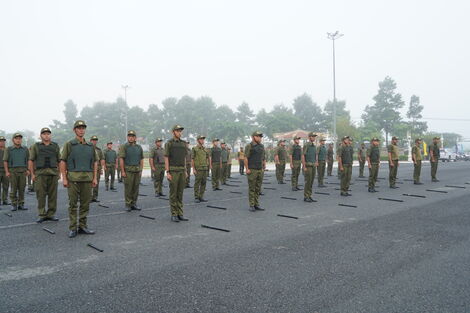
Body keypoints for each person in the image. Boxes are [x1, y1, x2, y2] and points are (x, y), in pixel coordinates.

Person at [60, 120, 98, 238]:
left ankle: (82, 226)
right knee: (73, 204)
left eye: (83, 128)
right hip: (73, 179)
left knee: (85, 204)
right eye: (79, 128)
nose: (81, 130)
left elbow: (95, 162)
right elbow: (63, 161)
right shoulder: (69, 144)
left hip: (87, 179)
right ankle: (72, 228)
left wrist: (95, 177)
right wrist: (64, 178)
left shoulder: (90, 146)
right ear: (74, 130)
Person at [29, 127, 61, 223]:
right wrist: (32, 174)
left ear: (50, 135)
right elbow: (31, 160)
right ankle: (42, 214)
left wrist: (59, 173)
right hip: (40, 174)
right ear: (41, 135)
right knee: (41, 195)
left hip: (53, 173)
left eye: (48, 133)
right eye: (44, 134)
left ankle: (51, 214)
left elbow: (59, 160)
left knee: (53, 195)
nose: (46, 135)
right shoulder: (36, 146)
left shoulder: (55, 146)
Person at [165, 125, 189, 222]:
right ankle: (174, 214)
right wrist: (168, 172)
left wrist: (185, 170)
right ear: (173, 132)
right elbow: (166, 157)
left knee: (180, 193)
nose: (180, 132)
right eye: (178, 131)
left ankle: (180, 213)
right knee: (173, 193)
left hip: (181, 170)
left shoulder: (183, 144)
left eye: (180, 131)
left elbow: (184, 158)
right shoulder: (169, 143)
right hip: (173, 170)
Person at [3, 133, 29, 211]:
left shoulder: (25, 149)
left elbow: (28, 160)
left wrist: (28, 170)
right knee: (13, 189)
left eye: (20, 138)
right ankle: (14, 204)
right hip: (13, 171)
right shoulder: (9, 149)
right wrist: (7, 171)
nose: (18, 140)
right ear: (13, 140)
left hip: (23, 171)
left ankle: (21, 204)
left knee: (22, 188)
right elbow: (5, 161)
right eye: (16, 138)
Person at [119, 130, 144, 211]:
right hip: (128, 170)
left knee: (136, 188)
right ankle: (128, 204)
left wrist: (141, 170)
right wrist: (122, 171)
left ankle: (134, 203)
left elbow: (141, 159)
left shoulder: (139, 147)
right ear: (127, 137)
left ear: (135, 138)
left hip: (137, 170)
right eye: (129, 136)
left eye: (132, 136)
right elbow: (121, 159)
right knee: (128, 188)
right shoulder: (124, 146)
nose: (131, 138)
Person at [244, 131, 266, 212]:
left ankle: (257, 204)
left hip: (260, 169)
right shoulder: (249, 146)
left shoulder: (261, 146)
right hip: (252, 170)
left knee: (258, 188)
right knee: (252, 188)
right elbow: (246, 158)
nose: (260, 138)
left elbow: (263, 157)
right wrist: (247, 169)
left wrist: (264, 167)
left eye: (260, 136)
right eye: (258, 136)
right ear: (253, 137)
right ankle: (252, 205)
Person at [192, 135, 210, 203]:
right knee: (197, 183)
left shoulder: (205, 149)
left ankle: (201, 196)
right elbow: (192, 159)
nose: (202, 140)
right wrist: (193, 169)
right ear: (198, 140)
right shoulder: (194, 148)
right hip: (198, 168)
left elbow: (207, 158)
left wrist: (208, 165)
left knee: (204, 183)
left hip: (204, 168)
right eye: (201, 139)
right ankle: (196, 197)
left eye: (203, 139)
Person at [302, 132, 318, 202]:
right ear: (309, 137)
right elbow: (303, 155)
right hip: (308, 166)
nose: (314, 138)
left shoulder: (314, 146)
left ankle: (309, 195)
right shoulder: (306, 145)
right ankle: (306, 196)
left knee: (311, 182)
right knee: (308, 181)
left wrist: (316, 162)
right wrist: (304, 166)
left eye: (314, 136)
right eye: (312, 136)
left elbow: (315, 155)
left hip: (313, 166)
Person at [90, 136, 105, 202]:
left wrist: (101, 168)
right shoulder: (87, 148)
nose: (94, 141)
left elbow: (102, 159)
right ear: (90, 141)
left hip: (98, 168)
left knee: (96, 183)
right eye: (93, 140)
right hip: (89, 168)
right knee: (89, 183)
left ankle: (95, 197)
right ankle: (89, 197)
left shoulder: (99, 150)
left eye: (95, 140)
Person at [0, 136, 9, 205]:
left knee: (6, 186)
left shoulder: (7, 150)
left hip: (6, 170)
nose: (2, 142)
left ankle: (5, 200)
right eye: (1, 141)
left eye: (3, 141)